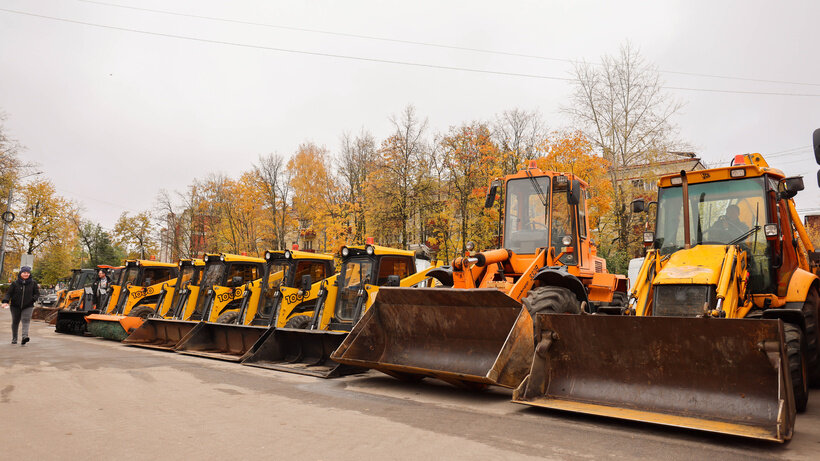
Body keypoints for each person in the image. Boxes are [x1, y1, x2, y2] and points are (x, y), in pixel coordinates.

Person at [2, 266, 40, 345]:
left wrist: (33, 299)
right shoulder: (15, 283)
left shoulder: (33, 283)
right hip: (15, 306)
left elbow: (37, 293)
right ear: (21, 273)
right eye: (24, 273)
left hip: (28, 306)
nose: (26, 274)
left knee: (26, 321)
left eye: (28, 273)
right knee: (15, 322)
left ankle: (24, 337)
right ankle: (14, 338)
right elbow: (9, 294)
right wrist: (5, 301)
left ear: (29, 274)